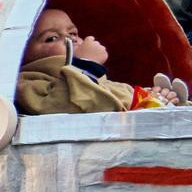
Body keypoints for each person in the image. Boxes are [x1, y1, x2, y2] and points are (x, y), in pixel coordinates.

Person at [16, 8, 186, 114]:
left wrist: (160, 99)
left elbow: (133, 102)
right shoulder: (28, 83)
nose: (70, 40)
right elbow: (62, 105)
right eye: (52, 38)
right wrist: (86, 64)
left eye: (73, 33)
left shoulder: (108, 84)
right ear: (22, 55)